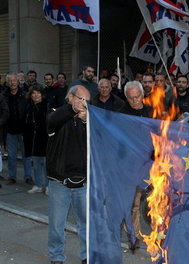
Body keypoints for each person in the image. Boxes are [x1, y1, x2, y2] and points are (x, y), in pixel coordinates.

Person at [46, 85, 90, 264]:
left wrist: (87, 121)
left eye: (87, 101)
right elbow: (52, 121)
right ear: (70, 97)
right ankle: (56, 257)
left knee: (86, 225)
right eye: (80, 99)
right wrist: (72, 110)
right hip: (59, 182)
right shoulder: (56, 112)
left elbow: (97, 140)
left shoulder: (88, 118)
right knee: (57, 225)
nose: (84, 104)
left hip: (83, 182)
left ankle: (87, 255)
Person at [119, 81, 153, 251]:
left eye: (137, 97)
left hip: (153, 164)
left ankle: (160, 234)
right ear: (127, 97)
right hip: (132, 166)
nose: (135, 101)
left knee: (157, 201)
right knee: (134, 203)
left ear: (142, 95)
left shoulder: (151, 112)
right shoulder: (121, 114)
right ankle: (135, 235)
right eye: (131, 98)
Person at [5, 73, 32, 185]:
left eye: (14, 80)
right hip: (10, 130)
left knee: (27, 155)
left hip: (24, 130)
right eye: (10, 81)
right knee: (11, 155)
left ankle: (28, 176)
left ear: (18, 82)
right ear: (7, 83)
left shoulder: (25, 95)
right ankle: (12, 177)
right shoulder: (3, 96)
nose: (13, 83)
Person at [23, 85, 49, 194]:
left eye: (38, 93)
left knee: (46, 165)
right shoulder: (29, 106)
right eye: (33, 93)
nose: (36, 95)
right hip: (32, 140)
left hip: (45, 139)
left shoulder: (47, 106)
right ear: (30, 95)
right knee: (36, 163)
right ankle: (38, 185)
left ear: (42, 94)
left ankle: (48, 186)